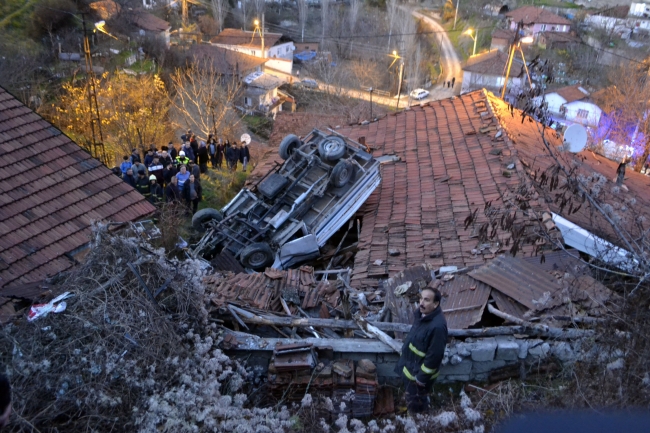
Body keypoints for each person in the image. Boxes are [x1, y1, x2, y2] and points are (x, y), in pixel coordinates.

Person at [395, 287, 447, 414]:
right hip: (411, 368)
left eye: (426, 300)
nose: (421, 303)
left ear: (436, 304)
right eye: (421, 298)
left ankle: (419, 422)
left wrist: (421, 379)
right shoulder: (422, 316)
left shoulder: (437, 327)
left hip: (419, 376)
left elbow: (434, 357)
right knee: (411, 399)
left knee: (416, 405)